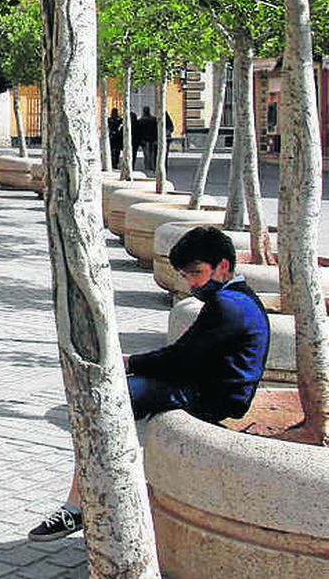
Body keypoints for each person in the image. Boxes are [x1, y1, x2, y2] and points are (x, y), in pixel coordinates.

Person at [28, 226, 270, 541]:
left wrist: (129, 362)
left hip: (211, 395)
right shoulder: (238, 297)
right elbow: (186, 356)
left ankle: (78, 505)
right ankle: (96, 492)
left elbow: (182, 358)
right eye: (186, 276)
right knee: (117, 394)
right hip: (203, 384)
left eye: (197, 273)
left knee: (104, 400)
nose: (192, 283)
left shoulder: (229, 306)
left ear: (223, 266)